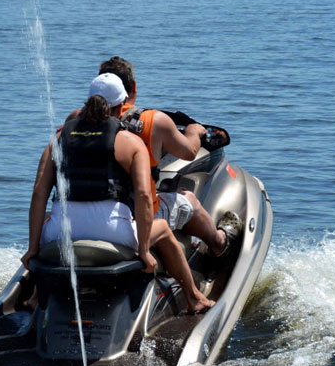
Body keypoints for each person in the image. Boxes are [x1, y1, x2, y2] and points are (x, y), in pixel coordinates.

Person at [21, 73, 213, 313]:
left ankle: (36, 297)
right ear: (122, 105)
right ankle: (194, 298)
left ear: (88, 102)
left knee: (51, 216)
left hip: (63, 232)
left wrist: (33, 247)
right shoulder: (131, 143)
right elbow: (143, 196)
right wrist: (143, 251)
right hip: (113, 232)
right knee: (163, 228)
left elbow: (39, 194)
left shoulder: (58, 140)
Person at [97, 56, 241, 256]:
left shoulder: (77, 123)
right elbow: (189, 152)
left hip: (91, 209)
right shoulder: (152, 121)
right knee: (188, 199)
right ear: (134, 87)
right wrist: (194, 131)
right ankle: (219, 242)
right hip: (130, 215)